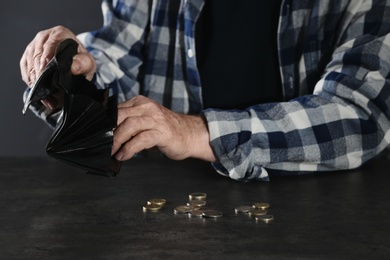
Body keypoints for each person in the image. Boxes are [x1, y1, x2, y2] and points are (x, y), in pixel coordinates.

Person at [20, 0, 390, 181]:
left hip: (325, 219)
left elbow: (362, 115)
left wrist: (198, 132)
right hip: (170, 218)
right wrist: (73, 74)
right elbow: (118, 53)